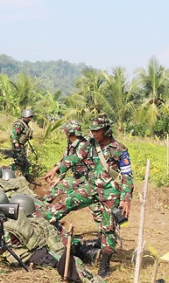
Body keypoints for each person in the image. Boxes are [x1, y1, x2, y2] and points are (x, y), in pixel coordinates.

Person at [42, 114, 134, 279]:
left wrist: (126, 199)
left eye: (97, 131)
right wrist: (56, 168)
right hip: (91, 187)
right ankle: (54, 237)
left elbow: (127, 176)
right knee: (63, 205)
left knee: (108, 229)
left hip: (110, 192)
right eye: (92, 131)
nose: (93, 134)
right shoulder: (89, 144)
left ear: (106, 130)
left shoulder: (119, 149)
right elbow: (74, 158)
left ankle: (104, 264)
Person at [42, 120, 90, 203]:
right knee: (55, 187)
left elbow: (71, 161)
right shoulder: (71, 143)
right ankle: (42, 207)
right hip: (77, 177)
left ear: (70, 132)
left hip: (87, 179)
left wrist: (55, 171)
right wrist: (58, 174)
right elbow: (64, 160)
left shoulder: (83, 144)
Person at [10, 109, 35, 177]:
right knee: (18, 161)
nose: (30, 119)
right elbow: (14, 135)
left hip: (22, 145)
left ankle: (24, 175)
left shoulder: (25, 124)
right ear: (26, 116)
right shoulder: (19, 124)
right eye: (29, 117)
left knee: (23, 161)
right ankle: (10, 172)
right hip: (17, 145)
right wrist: (17, 145)